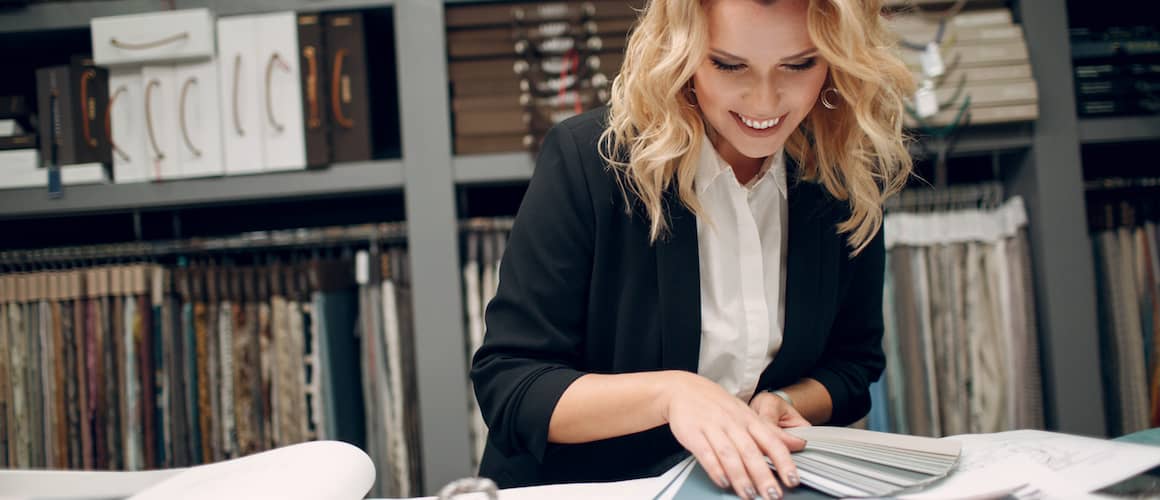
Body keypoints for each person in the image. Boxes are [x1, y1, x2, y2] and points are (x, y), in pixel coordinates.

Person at [470, 0, 914, 498]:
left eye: (799, 64)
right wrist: (672, 395)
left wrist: (787, 401)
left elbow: (854, 365)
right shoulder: (589, 161)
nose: (765, 101)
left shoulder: (847, 169)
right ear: (680, 51)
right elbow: (510, 385)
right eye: (728, 65)